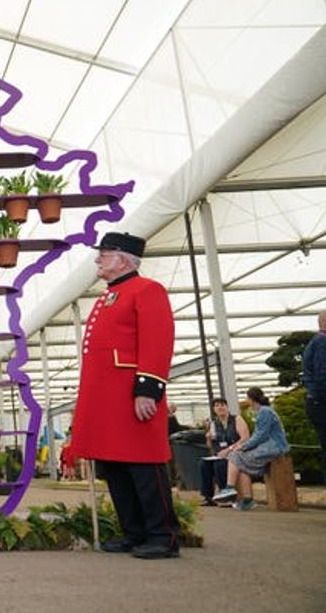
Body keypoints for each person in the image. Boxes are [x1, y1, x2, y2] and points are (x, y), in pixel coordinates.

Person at [71, 232, 180, 559]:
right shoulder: (110, 296)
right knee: (115, 466)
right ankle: (134, 532)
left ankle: (163, 535)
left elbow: (157, 341)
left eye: (103, 254)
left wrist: (148, 389)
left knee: (144, 466)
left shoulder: (147, 290)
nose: (97, 260)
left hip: (131, 393)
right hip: (107, 397)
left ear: (123, 258)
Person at [214, 387, 290, 510]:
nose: (247, 401)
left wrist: (244, 446)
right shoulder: (264, 411)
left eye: (247, 398)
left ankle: (229, 488)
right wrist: (244, 446)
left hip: (274, 447)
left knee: (235, 455)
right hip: (269, 446)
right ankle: (247, 500)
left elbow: (260, 435)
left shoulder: (264, 412)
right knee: (239, 461)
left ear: (252, 399)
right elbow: (259, 435)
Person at [198, 398, 249, 505]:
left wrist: (229, 449)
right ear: (213, 409)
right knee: (203, 464)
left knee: (219, 464)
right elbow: (210, 446)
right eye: (217, 406)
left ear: (227, 407)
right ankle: (208, 497)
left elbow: (245, 438)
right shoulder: (213, 424)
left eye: (222, 405)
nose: (220, 407)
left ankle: (225, 495)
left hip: (236, 453)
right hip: (220, 454)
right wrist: (208, 438)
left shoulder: (236, 419)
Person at [302, 311, 326, 484]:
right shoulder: (322, 342)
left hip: (315, 401)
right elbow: (322, 374)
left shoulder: (316, 342)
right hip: (320, 401)